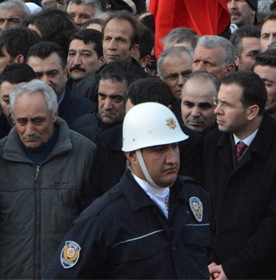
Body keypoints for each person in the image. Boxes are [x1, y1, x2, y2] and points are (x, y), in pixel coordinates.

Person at [44, 102, 211, 279]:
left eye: (175, 147)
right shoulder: (105, 217)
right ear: (132, 156)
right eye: (159, 150)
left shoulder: (195, 197)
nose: (171, 159)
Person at [201, 71, 276, 279]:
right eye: (217, 102)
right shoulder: (211, 143)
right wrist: (208, 260)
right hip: (212, 268)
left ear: (251, 111)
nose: (217, 111)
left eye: (226, 105)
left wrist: (232, 268)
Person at [0, 80, 95, 280]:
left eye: (37, 121)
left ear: (55, 114)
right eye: (22, 121)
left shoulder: (85, 154)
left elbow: (93, 230)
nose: (29, 130)